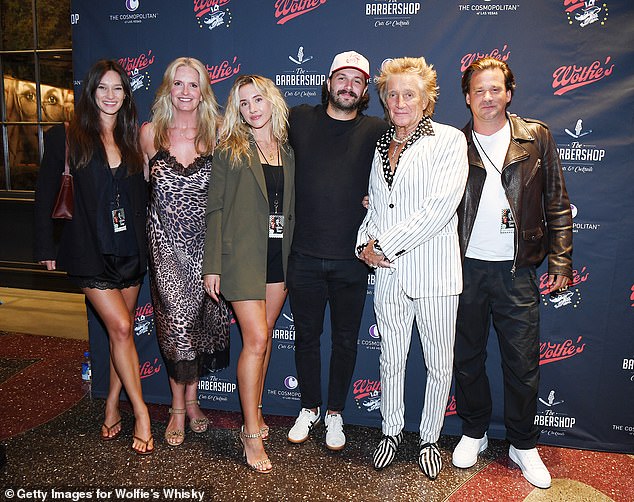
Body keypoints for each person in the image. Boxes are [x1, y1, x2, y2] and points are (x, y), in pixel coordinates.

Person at [452, 57, 573, 489]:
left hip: (518, 271)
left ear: (509, 92)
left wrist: (560, 259)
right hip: (463, 270)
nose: (487, 97)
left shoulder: (535, 137)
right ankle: (474, 431)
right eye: (478, 90)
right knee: (466, 359)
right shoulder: (453, 143)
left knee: (522, 365)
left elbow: (558, 201)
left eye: (495, 89)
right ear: (466, 97)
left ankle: (523, 443)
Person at [356, 57, 468, 479]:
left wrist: (382, 245)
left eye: (409, 94)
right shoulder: (383, 144)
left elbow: (438, 210)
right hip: (387, 274)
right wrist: (362, 245)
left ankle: (429, 438)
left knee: (439, 363)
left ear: (426, 100)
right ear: (383, 100)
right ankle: (390, 430)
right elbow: (374, 206)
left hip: (435, 274)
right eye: (393, 94)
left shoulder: (450, 141)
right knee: (391, 358)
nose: (400, 101)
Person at [34, 60, 153, 455]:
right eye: (102, 88)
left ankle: (109, 405)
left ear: (126, 94)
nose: (110, 95)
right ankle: (141, 414)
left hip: (130, 250)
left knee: (124, 334)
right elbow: (44, 195)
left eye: (118, 88)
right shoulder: (66, 137)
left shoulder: (133, 138)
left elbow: (143, 197)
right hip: (89, 250)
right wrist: (45, 247)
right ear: (90, 92)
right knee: (120, 329)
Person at [286, 51, 388, 451]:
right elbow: (253, 135)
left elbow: (408, 170)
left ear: (365, 91)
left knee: (345, 340)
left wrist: (378, 201)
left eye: (357, 81)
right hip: (304, 255)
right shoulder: (298, 119)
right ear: (328, 82)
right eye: (341, 78)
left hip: (353, 259)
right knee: (306, 337)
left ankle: (335, 414)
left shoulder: (378, 128)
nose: (348, 86)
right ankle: (308, 407)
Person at [203, 75, 295, 473]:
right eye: (244, 103)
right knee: (255, 338)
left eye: (258, 99)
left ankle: (253, 410)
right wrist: (212, 266)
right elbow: (215, 209)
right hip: (240, 257)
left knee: (266, 336)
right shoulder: (231, 150)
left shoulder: (288, 152)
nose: (252, 108)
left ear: (272, 101)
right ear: (237, 111)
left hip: (278, 257)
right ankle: (251, 432)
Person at [141, 57, 231, 447]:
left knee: (196, 325)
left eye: (193, 85)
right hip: (165, 245)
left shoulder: (218, 133)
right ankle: (178, 407)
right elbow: (139, 188)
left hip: (206, 246)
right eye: (178, 84)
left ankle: (193, 404)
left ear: (204, 91)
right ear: (167, 88)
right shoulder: (150, 133)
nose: (185, 92)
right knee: (175, 325)